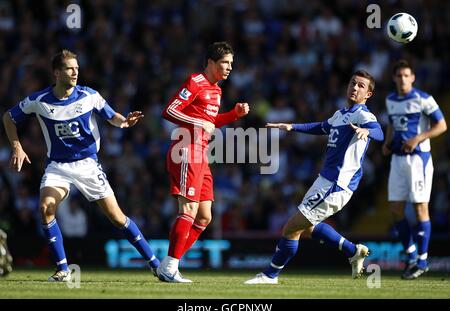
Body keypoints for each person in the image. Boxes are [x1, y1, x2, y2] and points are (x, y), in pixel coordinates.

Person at [2, 49, 160, 282]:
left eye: (77, 67)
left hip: (88, 166)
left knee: (117, 218)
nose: (75, 71)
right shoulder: (40, 101)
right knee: (46, 207)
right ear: (57, 72)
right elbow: (9, 117)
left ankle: (156, 265)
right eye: (69, 68)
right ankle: (63, 269)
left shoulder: (89, 96)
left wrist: (125, 121)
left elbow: (112, 116)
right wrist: (17, 146)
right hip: (58, 167)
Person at [245, 70, 384, 284]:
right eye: (353, 83)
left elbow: (379, 131)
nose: (355, 88)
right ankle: (352, 251)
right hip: (324, 181)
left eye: (361, 86)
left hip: (336, 184)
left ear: (368, 94)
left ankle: (270, 274)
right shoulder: (341, 114)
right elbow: (321, 127)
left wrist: (367, 132)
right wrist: (291, 126)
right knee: (308, 226)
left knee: (291, 227)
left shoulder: (363, 115)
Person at [158, 42, 250, 283]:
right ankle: (170, 267)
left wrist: (233, 115)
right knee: (188, 210)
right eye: (225, 63)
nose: (230, 67)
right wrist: (198, 124)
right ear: (211, 62)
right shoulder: (196, 82)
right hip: (186, 150)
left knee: (204, 217)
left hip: (201, 154)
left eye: (231, 63)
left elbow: (211, 121)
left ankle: (169, 265)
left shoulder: (217, 90)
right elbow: (169, 110)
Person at [382, 60, 447, 279]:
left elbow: (442, 125)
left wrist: (418, 138)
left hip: (418, 160)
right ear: (394, 78)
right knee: (395, 210)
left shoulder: (424, 99)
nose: (402, 79)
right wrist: (387, 142)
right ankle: (411, 256)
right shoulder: (390, 100)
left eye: (406, 75)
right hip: (398, 160)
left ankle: (423, 260)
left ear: (413, 77)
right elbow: (392, 123)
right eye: (399, 75)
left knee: (420, 209)